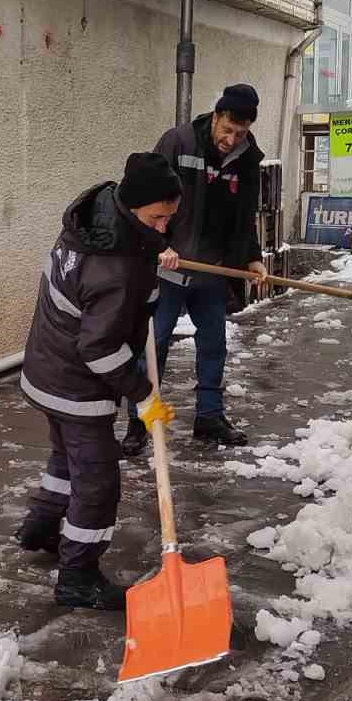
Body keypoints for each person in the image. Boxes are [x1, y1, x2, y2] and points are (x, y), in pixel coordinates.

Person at [16, 153, 182, 611]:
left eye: (170, 217)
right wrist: (143, 396)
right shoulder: (115, 267)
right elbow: (100, 349)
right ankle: (78, 578)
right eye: (157, 218)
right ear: (133, 206)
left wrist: (151, 259)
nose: (164, 227)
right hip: (76, 382)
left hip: (47, 364)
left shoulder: (97, 218)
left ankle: (42, 527)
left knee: (65, 458)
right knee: (97, 482)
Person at [120, 83, 266, 456]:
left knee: (214, 343)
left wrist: (252, 256)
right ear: (216, 116)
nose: (231, 139)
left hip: (212, 269)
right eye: (227, 129)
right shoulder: (179, 142)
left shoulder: (248, 158)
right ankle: (139, 422)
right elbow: (145, 201)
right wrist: (159, 246)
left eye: (240, 133)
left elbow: (246, 214)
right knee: (154, 344)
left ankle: (209, 417)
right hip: (168, 268)